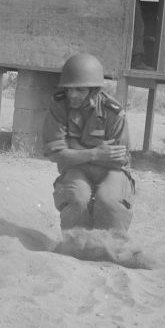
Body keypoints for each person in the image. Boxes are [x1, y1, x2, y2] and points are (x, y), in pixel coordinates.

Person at [43, 53, 135, 234]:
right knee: (77, 197)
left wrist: (73, 149)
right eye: (69, 89)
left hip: (112, 171)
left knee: (108, 200)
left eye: (80, 90)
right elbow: (54, 153)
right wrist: (96, 153)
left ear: (94, 90)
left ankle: (112, 246)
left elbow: (118, 160)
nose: (72, 95)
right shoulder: (59, 106)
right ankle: (75, 244)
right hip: (77, 170)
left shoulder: (113, 113)